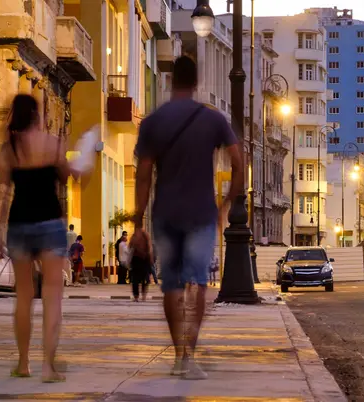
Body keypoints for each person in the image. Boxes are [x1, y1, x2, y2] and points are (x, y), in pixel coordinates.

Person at [131, 56, 243, 380]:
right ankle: (189, 356)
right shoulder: (212, 120)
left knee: (172, 285)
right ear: (196, 82)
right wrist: (225, 205)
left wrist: (137, 222)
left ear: (170, 81)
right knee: (199, 284)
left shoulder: (153, 121)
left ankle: (178, 354)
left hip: (165, 212)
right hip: (201, 214)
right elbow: (239, 163)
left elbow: (143, 175)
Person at [0, 94, 83, 383]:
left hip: (19, 225)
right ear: (36, 115)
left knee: (23, 298)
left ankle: (23, 363)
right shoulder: (53, 144)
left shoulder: (9, 150)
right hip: (49, 225)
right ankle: (48, 366)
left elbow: (2, 195)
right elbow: (70, 176)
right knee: (52, 297)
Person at [129, 231, 153, 302]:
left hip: (138, 259)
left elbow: (130, 246)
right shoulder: (145, 234)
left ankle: (137, 297)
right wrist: (150, 259)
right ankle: (143, 296)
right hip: (142, 259)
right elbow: (149, 248)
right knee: (143, 279)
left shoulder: (136, 235)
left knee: (137, 279)